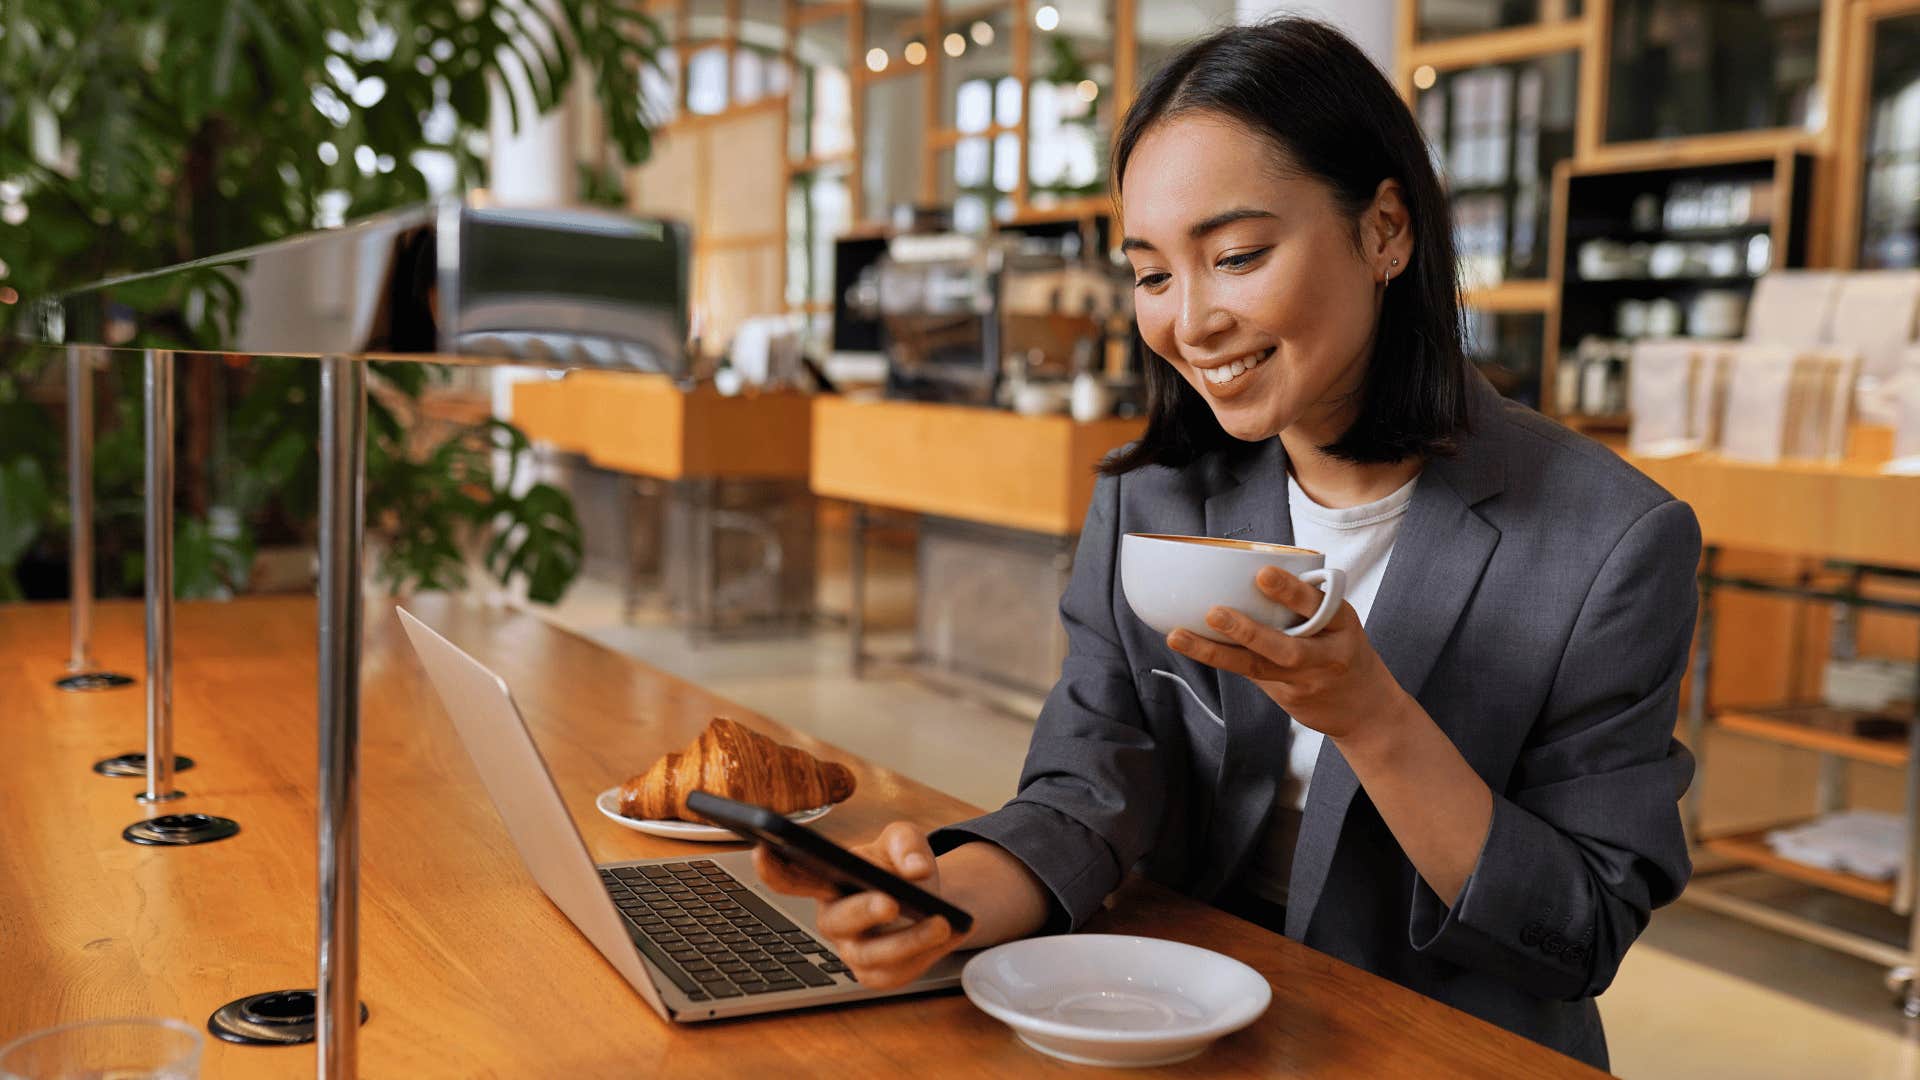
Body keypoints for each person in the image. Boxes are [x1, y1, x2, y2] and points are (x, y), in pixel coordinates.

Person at [757, 17, 1699, 1070]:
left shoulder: (1610, 540)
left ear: (1386, 230)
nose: (1191, 321)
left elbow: (1580, 931)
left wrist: (1372, 719)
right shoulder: (1153, 492)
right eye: (1153, 274)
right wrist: (945, 903)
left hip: (1437, 1042)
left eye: (1238, 256)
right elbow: (1091, 784)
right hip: (1177, 1015)